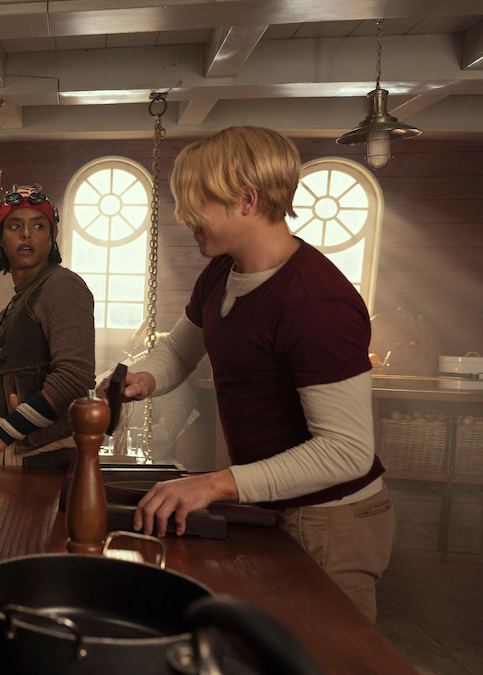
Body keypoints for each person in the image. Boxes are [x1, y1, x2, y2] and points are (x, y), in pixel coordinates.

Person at [105, 126, 394, 622]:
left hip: (331, 519)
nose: (185, 217)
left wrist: (215, 485)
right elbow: (179, 350)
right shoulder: (222, 269)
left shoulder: (315, 301)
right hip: (273, 504)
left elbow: (346, 451)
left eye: (197, 203)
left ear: (246, 200)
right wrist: (145, 379)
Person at [0, 185, 95, 474]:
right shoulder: (18, 303)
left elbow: (74, 379)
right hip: (22, 456)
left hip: (48, 460)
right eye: (15, 226)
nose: (26, 234)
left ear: (52, 238)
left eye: (38, 226)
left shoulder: (62, 287)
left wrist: (1, 436)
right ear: (1, 239)